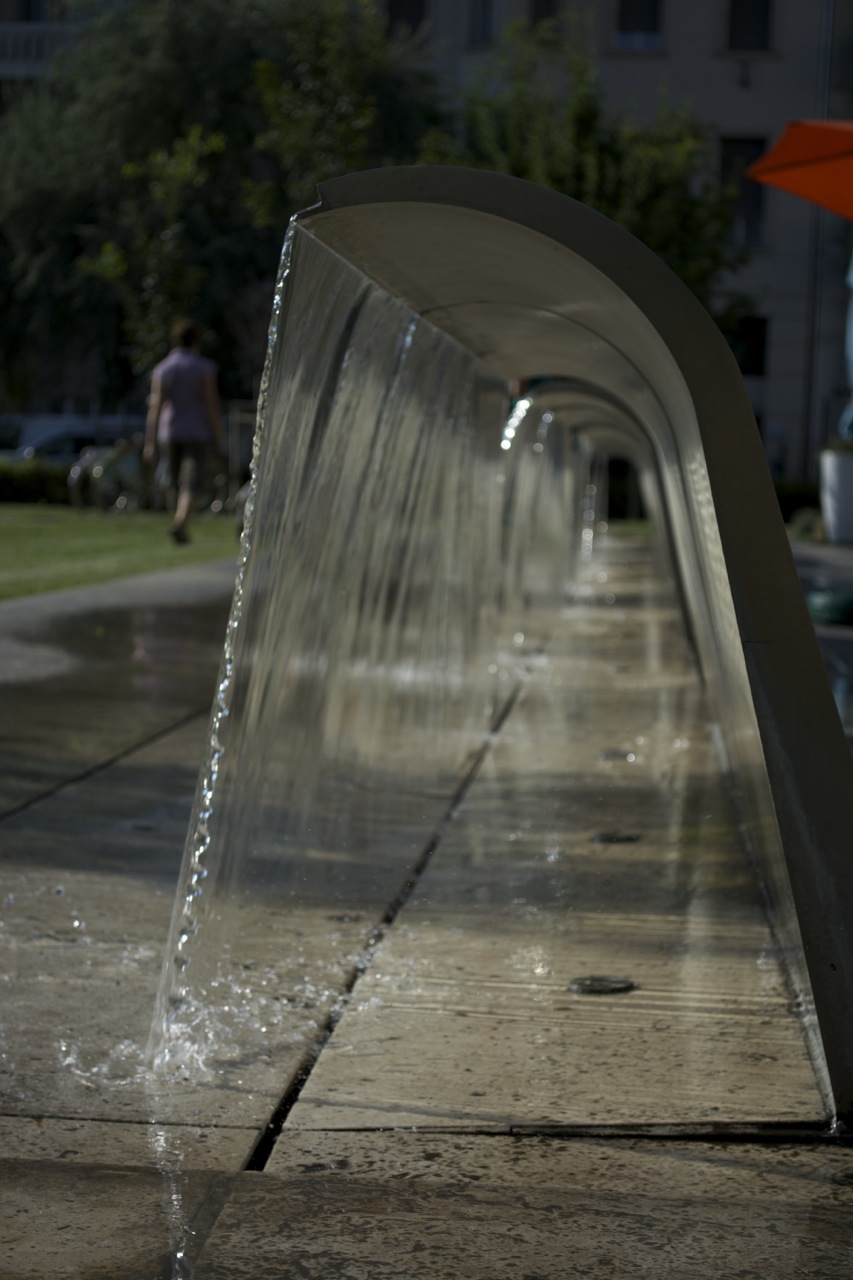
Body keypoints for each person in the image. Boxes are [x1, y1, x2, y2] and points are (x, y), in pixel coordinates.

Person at [144, 319, 225, 544]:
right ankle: (181, 522)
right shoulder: (204, 368)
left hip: (169, 432)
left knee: (175, 481)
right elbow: (211, 405)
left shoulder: (163, 368)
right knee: (192, 481)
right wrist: (218, 437)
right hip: (196, 432)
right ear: (196, 341)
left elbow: (156, 406)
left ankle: (179, 523)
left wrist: (149, 442)